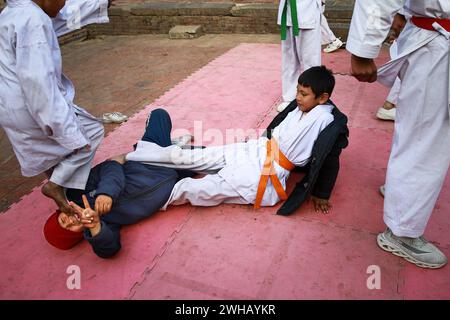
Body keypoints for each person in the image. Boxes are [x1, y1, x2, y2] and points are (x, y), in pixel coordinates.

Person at [125, 66, 349, 215]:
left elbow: (329, 159)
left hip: (265, 171)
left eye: (304, 94)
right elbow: (275, 126)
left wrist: (321, 193)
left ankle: (128, 200)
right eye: (298, 91)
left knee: (197, 189)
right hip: (256, 149)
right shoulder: (300, 105)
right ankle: (131, 157)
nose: (297, 97)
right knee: (189, 156)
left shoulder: (328, 122)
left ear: (323, 98)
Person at [347, 0, 449, 268]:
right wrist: (363, 49)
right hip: (437, 45)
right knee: (426, 142)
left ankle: (399, 192)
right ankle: (402, 231)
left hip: (435, 41)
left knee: (423, 136)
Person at [0, 0, 112, 216]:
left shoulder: (11, 14)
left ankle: (68, 196)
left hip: (8, 108)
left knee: (49, 154)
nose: (62, 5)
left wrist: (101, 3)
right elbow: (39, 85)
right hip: (29, 107)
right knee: (89, 135)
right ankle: (56, 186)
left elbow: (65, 16)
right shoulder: (33, 19)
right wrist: (64, 129)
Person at [43, 109, 196, 258]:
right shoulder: (103, 224)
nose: (71, 220)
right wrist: (95, 226)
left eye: (64, 220)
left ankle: (168, 147)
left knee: (159, 114)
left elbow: (110, 166)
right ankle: (172, 147)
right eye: (71, 227)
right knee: (211, 160)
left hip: (146, 160)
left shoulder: (76, 190)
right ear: (79, 234)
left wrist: (106, 193)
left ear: (61, 209)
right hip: (171, 184)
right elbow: (110, 250)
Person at [276, 0, 322, 113]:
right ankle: (289, 97)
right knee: (289, 58)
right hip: (287, 11)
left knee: (310, 60)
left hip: (307, 11)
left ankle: (314, 98)